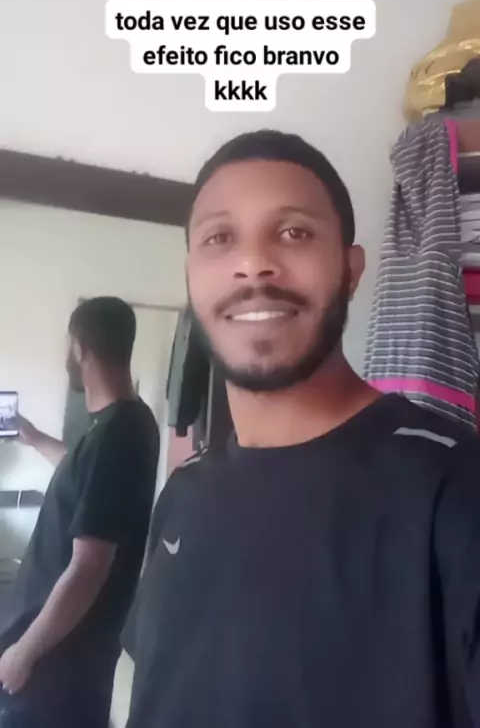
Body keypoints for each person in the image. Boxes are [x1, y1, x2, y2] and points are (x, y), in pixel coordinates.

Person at [127, 130, 480, 728]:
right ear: (191, 276)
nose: (252, 263)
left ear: (351, 270)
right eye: (219, 238)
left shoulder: (455, 486)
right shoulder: (182, 495)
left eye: (294, 232)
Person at [0, 297, 160, 728]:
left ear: (79, 348)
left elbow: (88, 568)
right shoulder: (128, 422)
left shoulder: (116, 435)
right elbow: (84, 475)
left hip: (56, 665)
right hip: (69, 660)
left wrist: (24, 652)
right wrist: (35, 439)